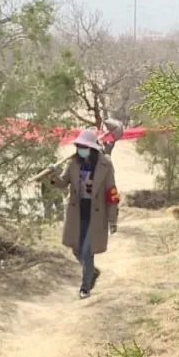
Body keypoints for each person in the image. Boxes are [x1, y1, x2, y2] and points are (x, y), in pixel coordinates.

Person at [49, 128, 121, 298]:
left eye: (83, 147)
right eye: (79, 146)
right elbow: (62, 183)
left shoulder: (105, 165)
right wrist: (52, 175)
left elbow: (111, 193)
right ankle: (92, 272)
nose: (80, 149)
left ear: (92, 148)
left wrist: (113, 220)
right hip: (77, 212)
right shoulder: (74, 163)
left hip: (96, 213)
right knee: (77, 249)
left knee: (88, 250)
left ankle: (85, 287)